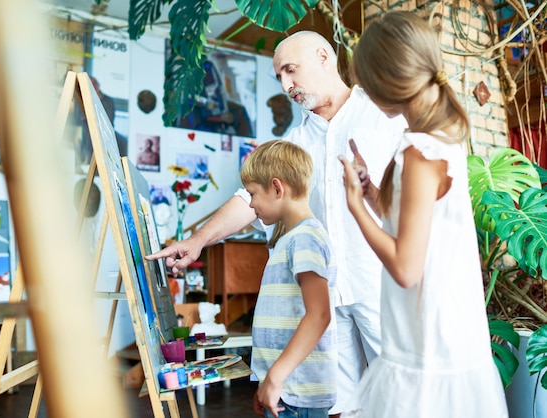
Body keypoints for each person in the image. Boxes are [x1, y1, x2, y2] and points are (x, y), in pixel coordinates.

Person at [146, 30, 407, 416]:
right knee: (341, 407)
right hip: (325, 297)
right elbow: (249, 201)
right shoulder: (296, 140)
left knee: (403, 397)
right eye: (280, 76)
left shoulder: (384, 117)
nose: (286, 85)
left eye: (291, 70)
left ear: (323, 56)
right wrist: (200, 240)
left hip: (381, 287)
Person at [338, 11, 508, 417]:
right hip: (442, 330)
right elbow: (409, 219)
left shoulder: (419, 153)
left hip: (428, 340)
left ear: (385, 81)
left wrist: (352, 208)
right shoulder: (438, 140)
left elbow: (405, 268)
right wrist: (370, 193)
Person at [240, 140, 338, 418]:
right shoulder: (290, 239)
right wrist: (268, 380)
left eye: (252, 194)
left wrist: (276, 377)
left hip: (297, 392)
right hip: (286, 389)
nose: (251, 203)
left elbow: (319, 314)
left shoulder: (305, 238)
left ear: (276, 187)